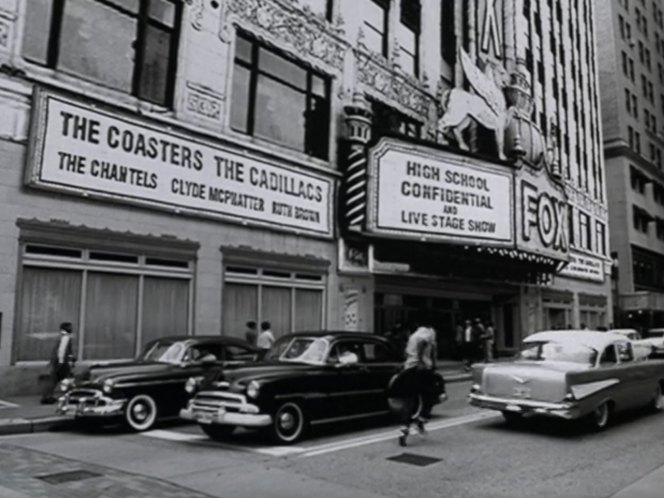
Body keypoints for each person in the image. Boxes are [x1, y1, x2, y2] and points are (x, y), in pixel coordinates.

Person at [396, 324, 437, 447]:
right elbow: (422, 345)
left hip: (408, 368)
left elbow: (405, 353)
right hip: (421, 369)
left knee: (409, 400)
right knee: (430, 397)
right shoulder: (428, 332)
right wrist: (422, 361)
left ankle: (404, 429)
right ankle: (421, 420)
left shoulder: (413, 336)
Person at [41, 322, 76, 404]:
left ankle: (47, 397)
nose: (71, 329)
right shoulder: (66, 337)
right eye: (70, 327)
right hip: (61, 363)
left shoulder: (60, 337)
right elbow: (62, 350)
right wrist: (63, 362)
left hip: (58, 362)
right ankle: (71, 396)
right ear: (66, 328)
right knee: (67, 379)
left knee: (55, 380)